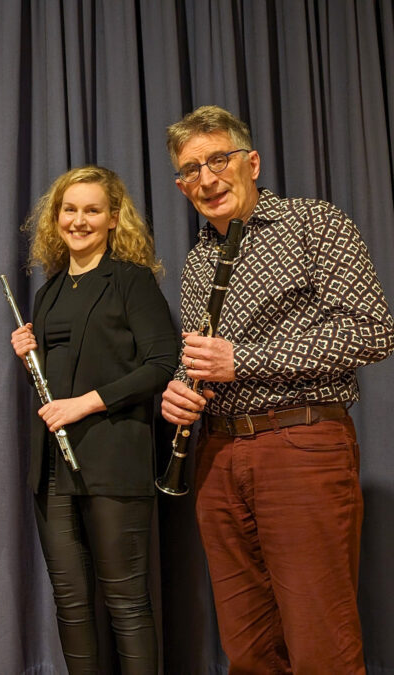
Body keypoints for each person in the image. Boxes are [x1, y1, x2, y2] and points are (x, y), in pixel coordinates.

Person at [160, 105, 394, 673]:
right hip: (217, 457)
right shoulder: (197, 261)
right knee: (248, 648)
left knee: (321, 641)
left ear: (253, 162)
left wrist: (244, 360)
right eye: (190, 170)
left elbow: (373, 332)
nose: (207, 179)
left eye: (219, 159)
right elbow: (206, 363)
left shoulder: (315, 223)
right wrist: (180, 388)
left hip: (302, 445)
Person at [9, 166, 178, 673]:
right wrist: (30, 360)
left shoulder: (131, 280)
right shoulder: (50, 291)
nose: (79, 220)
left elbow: (161, 364)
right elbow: (57, 383)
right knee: (71, 603)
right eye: (70, 209)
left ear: (112, 219)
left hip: (113, 461)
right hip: (54, 469)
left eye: (92, 210)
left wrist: (85, 403)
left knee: (126, 604)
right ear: (55, 217)